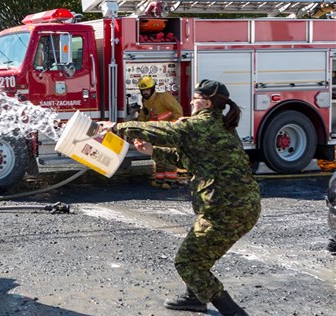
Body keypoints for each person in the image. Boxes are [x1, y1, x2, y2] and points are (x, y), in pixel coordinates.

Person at [101, 79, 260, 316]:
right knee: (197, 252)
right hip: (240, 206)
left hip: (225, 209)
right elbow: (190, 159)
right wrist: (153, 151)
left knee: (188, 262)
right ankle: (194, 297)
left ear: (206, 102)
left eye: (195, 99)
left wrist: (117, 127)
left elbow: (167, 131)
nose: (190, 102)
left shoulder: (200, 125)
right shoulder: (223, 127)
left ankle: (234, 312)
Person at [137, 76, 183, 189]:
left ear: (153, 89)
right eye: (143, 91)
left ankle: (170, 181)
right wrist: (139, 133)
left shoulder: (164, 97)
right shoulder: (146, 102)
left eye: (147, 90)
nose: (145, 92)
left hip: (168, 132)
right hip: (156, 134)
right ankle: (159, 180)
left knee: (169, 157)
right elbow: (143, 118)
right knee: (158, 157)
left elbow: (178, 112)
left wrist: (172, 126)